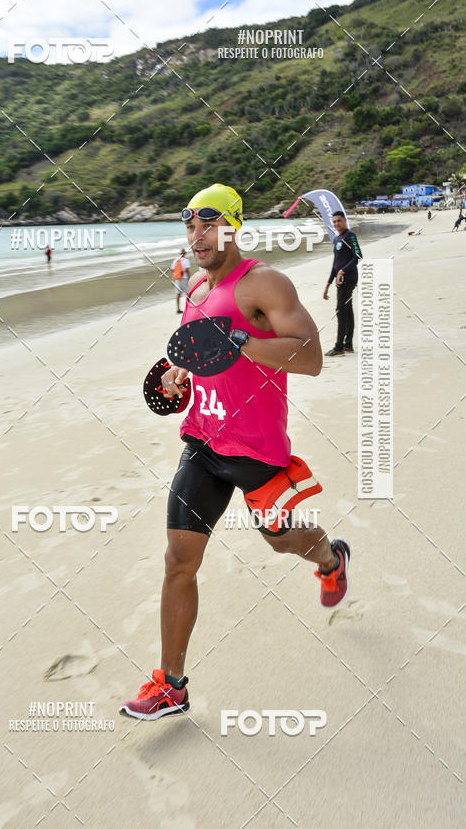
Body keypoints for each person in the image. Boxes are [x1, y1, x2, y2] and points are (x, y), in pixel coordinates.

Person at [120, 183, 350, 721]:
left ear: (231, 226)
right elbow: (202, 357)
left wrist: (241, 342)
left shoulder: (265, 282)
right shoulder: (197, 288)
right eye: (189, 224)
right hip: (203, 441)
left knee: (282, 541)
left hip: (257, 451)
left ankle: (331, 557)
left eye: (207, 222)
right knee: (179, 559)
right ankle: (170, 685)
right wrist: (181, 377)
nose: (196, 234)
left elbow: (311, 357)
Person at [323, 211, 362, 356]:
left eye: (339, 221)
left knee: (340, 311)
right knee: (347, 310)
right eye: (334, 222)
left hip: (349, 278)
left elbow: (358, 256)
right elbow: (336, 263)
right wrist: (328, 284)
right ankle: (348, 345)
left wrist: (342, 272)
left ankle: (339, 347)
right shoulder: (337, 238)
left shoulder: (350, 236)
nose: (336, 224)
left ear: (345, 221)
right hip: (340, 279)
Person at [171, 248, 191, 313]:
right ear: (185, 253)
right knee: (188, 294)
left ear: (179, 254)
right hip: (184, 278)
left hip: (177, 278)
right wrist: (189, 278)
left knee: (178, 294)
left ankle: (178, 309)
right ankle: (189, 307)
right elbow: (187, 270)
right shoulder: (186, 260)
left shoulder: (175, 260)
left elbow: (172, 269)